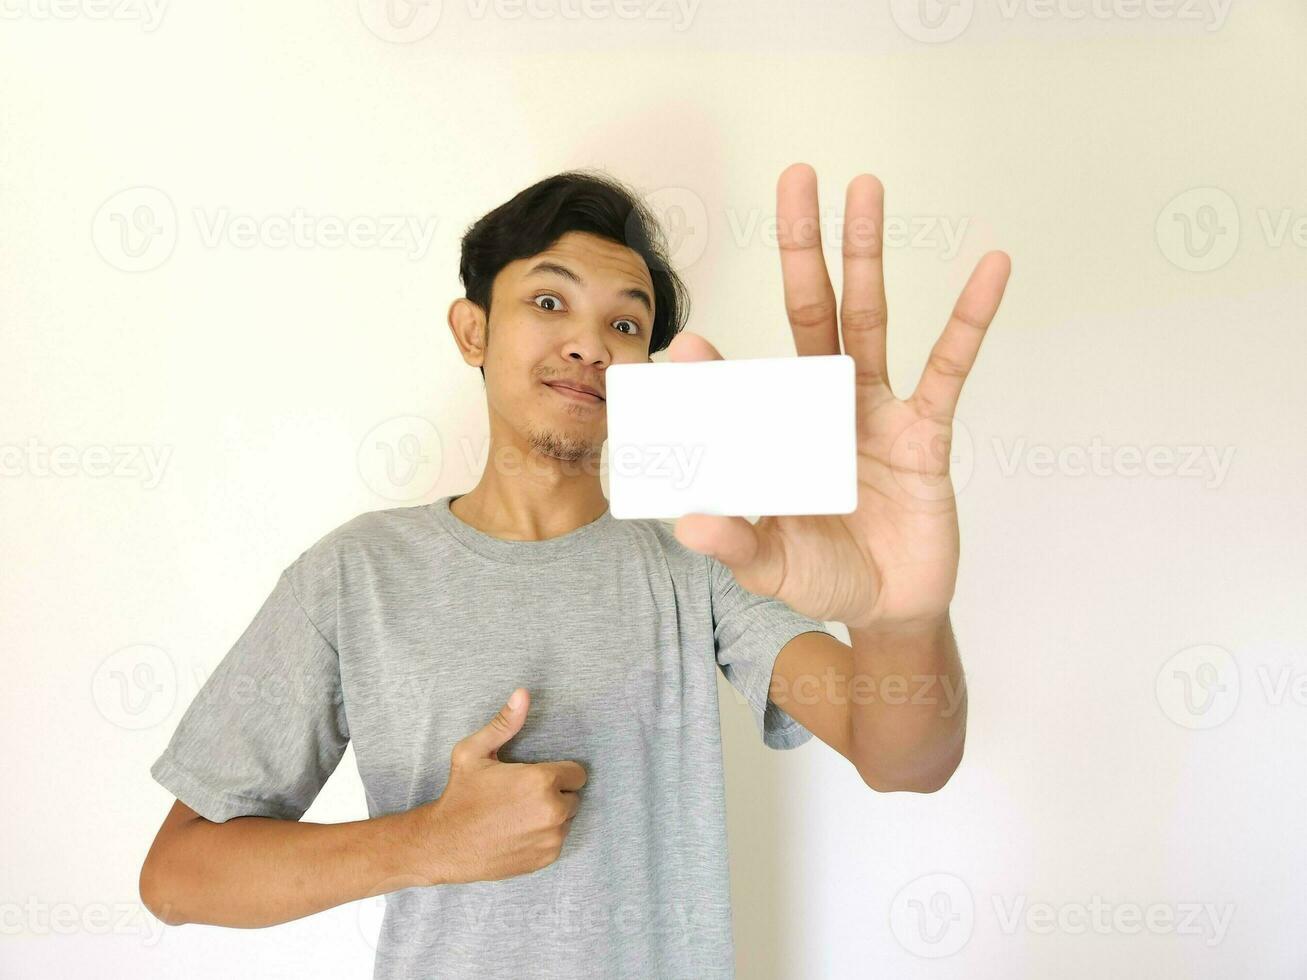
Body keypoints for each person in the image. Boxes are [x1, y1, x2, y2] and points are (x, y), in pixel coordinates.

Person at [138, 164, 1010, 978]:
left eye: (623, 325)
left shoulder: (701, 567)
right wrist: (428, 843)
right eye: (549, 301)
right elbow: (177, 876)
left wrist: (901, 618)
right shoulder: (352, 575)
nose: (589, 345)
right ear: (472, 329)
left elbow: (908, 759)